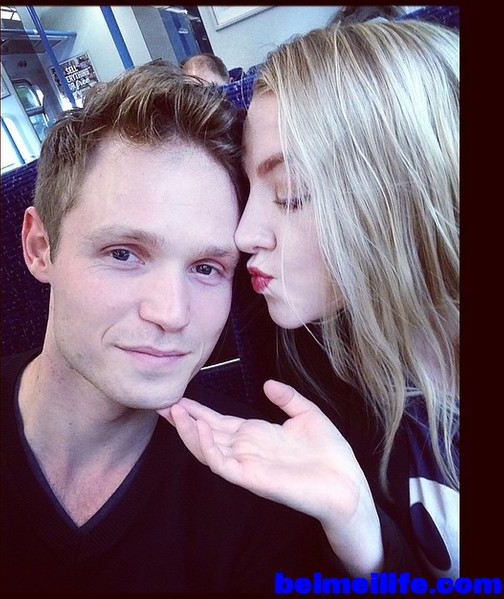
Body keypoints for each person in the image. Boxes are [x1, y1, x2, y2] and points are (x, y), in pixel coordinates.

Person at [0, 60, 347, 592]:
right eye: (123, 253)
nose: (172, 313)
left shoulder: (260, 491)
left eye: (206, 268)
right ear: (40, 247)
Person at [160, 20, 460, 582]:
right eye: (250, 193)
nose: (244, 235)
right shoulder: (323, 369)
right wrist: (359, 532)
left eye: (289, 194)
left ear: (407, 194)